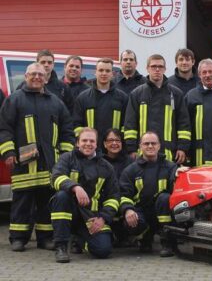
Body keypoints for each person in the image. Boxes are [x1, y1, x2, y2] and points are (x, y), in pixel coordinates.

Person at [0, 63, 75, 252]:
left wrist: (65, 155)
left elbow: (67, 130)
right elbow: (4, 129)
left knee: (46, 203)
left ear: (46, 78)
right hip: (23, 164)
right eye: (33, 74)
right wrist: (8, 152)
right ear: (26, 76)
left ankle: (45, 238)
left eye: (40, 74)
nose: (36, 77)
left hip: (50, 163)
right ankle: (18, 238)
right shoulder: (15, 100)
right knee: (21, 203)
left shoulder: (56, 102)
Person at [51, 127, 120, 263]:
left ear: (97, 144)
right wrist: (75, 187)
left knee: (103, 250)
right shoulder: (67, 158)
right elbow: (56, 177)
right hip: (70, 212)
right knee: (61, 196)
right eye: (84, 140)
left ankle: (80, 239)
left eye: (91, 141)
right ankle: (61, 246)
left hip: (91, 216)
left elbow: (114, 197)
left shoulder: (106, 167)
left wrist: (103, 218)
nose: (88, 144)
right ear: (77, 143)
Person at [124, 54, 191, 164]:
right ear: (147, 68)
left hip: (169, 154)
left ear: (165, 69)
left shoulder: (176, 94)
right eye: (153, 66)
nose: (157, 69)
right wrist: (131, 149)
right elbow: (130, 124)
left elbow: (183, 124)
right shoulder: (137, 94)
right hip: (143, 154)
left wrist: (182, 147)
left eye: (160, 67)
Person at [119, 131, 177, 257]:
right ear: (140, 146)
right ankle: (145, 237)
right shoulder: (130, 170)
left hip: (163, 211)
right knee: (132, 223)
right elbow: (124, 195)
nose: (150, 146)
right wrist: (128, 210)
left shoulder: (171, 167)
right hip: (141, 212)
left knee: (164, 198)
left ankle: (167, 242)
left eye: (153, 143)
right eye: (146, 144)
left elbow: (176, 190)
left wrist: (181, 174)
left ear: (159, 146)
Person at [73, 58, 128, 151]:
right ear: (95, 72)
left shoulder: (122, 98)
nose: (104, 73)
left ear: (112, 74)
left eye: (107, 71)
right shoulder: (83, 98)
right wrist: (85, 142)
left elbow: (126, 125)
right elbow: (77, 125)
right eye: (101, 70)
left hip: (114, 151)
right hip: (90, 150)